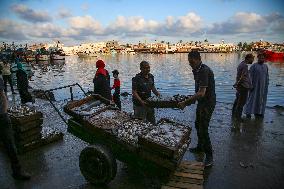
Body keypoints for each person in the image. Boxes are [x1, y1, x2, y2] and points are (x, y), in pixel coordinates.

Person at [178, 51, 216, 167]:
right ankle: (200, 147)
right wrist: (191, 99)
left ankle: (209, 156)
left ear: (199, 59)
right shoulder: (196, 69)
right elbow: (198, 92)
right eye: (189, 62)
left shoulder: (204, 70)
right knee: (197, 124)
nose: (190, 64)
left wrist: (186, 102)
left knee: (203, 129)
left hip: (208, 103)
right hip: (201, 102)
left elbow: (201, 93)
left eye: (192, 62)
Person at [0, 75, 31, 180]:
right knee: (10, 145)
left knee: (10, 146)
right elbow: (3, 96)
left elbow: (2, 96)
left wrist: (3, 113)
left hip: (1, 116)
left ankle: (17, 171)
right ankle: (17, 171)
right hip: (2, 117)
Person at [245, 51, 269, 118]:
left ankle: (258, 112)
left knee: (261, 99)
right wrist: (250, 85)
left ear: (264, 59)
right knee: (251, 99)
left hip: (263, 86)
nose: (261, 59)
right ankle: (248, 112)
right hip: (254, 86)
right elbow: (249, 76)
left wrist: (267, 85)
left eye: (263, 58)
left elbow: (267, 76)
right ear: (258, 58)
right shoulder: (254, 66)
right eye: (260, 58)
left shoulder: (265, 66)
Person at [232, 54, 254, 121]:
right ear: (248, 58)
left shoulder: (241, 64)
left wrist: (237, 84)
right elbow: (242, 77)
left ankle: (234, 114)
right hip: (243, 86)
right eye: (252, 58)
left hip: (240, 86)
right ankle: (238, 117)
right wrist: (238, 84)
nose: (253, 60)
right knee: (241, 102)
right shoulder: (244, 65)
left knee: (237, 101)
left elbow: (240, 76)